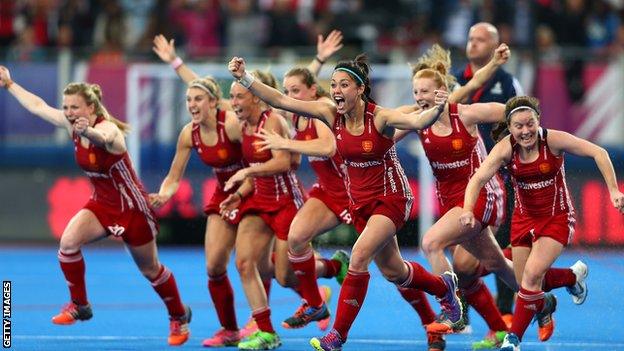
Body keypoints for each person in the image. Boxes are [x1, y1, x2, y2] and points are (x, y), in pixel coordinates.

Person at [228, 54, 464, 351]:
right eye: (335, 84)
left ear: (360, 89)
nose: (337, 90)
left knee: (359, 256)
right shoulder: (329, 112)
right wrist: (244, 77)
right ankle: (445, 288)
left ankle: (336, 336)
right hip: (360, 203)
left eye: (344, 85)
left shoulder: (380, 117)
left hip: (391, 197)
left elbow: (417, 120)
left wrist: (438, 108)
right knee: (395, 272)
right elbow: (279, 100)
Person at [152, 32, 346, 345]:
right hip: (251, 195)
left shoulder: (272, 115)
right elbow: (203, 89)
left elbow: (299, 98)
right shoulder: (236, 115)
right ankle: (264, 328)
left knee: (282, 273)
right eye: (233, 97)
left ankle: (329, 271)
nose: (235, 102)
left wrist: (319, 60)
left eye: (241, 95)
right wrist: (175, 62)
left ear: (257, 95)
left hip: (281, 196)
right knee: (246, 263)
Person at [0, 66, 191, 346]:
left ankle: (179, 316)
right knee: (67, 244)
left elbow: (106, 139)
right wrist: (9, 85)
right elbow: (38, 106)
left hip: (133, 208)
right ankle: (80, 305)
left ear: (91, 107)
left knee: (151, 270)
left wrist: (88, 131)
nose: (68, 112)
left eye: (74, 107)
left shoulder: (107, 128)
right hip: (101, 205)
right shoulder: (70, 123)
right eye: (66, 107)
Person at [459, 96, 624, 351]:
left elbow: (598, 152)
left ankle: (512, 340)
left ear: (538, 121)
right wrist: (468, 209)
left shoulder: (554, 140)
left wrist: (613, 190)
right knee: (528, 283)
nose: (525, 131)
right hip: (523, 220)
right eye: (518, 126)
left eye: (530, 124)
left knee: (532, 277)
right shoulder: (505, 148)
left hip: (556, 218)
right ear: (510, 127)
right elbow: (477, 179)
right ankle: (572, 276)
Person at [394, 43, 516, 349]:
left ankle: (451, 306)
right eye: (416, 92)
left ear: (441, 91)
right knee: (485, 265)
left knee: (431, 242)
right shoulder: (417, 118)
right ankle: (541, 299)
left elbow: (509, 108)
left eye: (425, 91)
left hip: (483, 195)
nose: (420, 98)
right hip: (453, 203)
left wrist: (529, 128)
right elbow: (382, 131)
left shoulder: (462, 110)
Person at [148, 76, 246, 347]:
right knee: (214, 266)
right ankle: (230, 330)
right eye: (189, 99)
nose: (192, 104)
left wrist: (244, 189)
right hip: (224, 193)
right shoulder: (188, 133)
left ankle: (314, 287)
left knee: (268, 268)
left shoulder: (234, 125)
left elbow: (259, 161)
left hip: (254, 189)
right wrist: (165, 193)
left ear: (214, 102)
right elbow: (174, 176)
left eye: (198, 99)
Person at [453, 21, 524, 328]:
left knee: (502, 243)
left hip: (501, 175)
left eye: (481, 39)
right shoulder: (455, 80)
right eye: (471, 38)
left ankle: (506, 308)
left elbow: (525, 120)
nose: (473, 43)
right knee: (465, 249)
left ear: (495, 47)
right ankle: (462, 310)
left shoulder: (508, 82)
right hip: (462, 176)